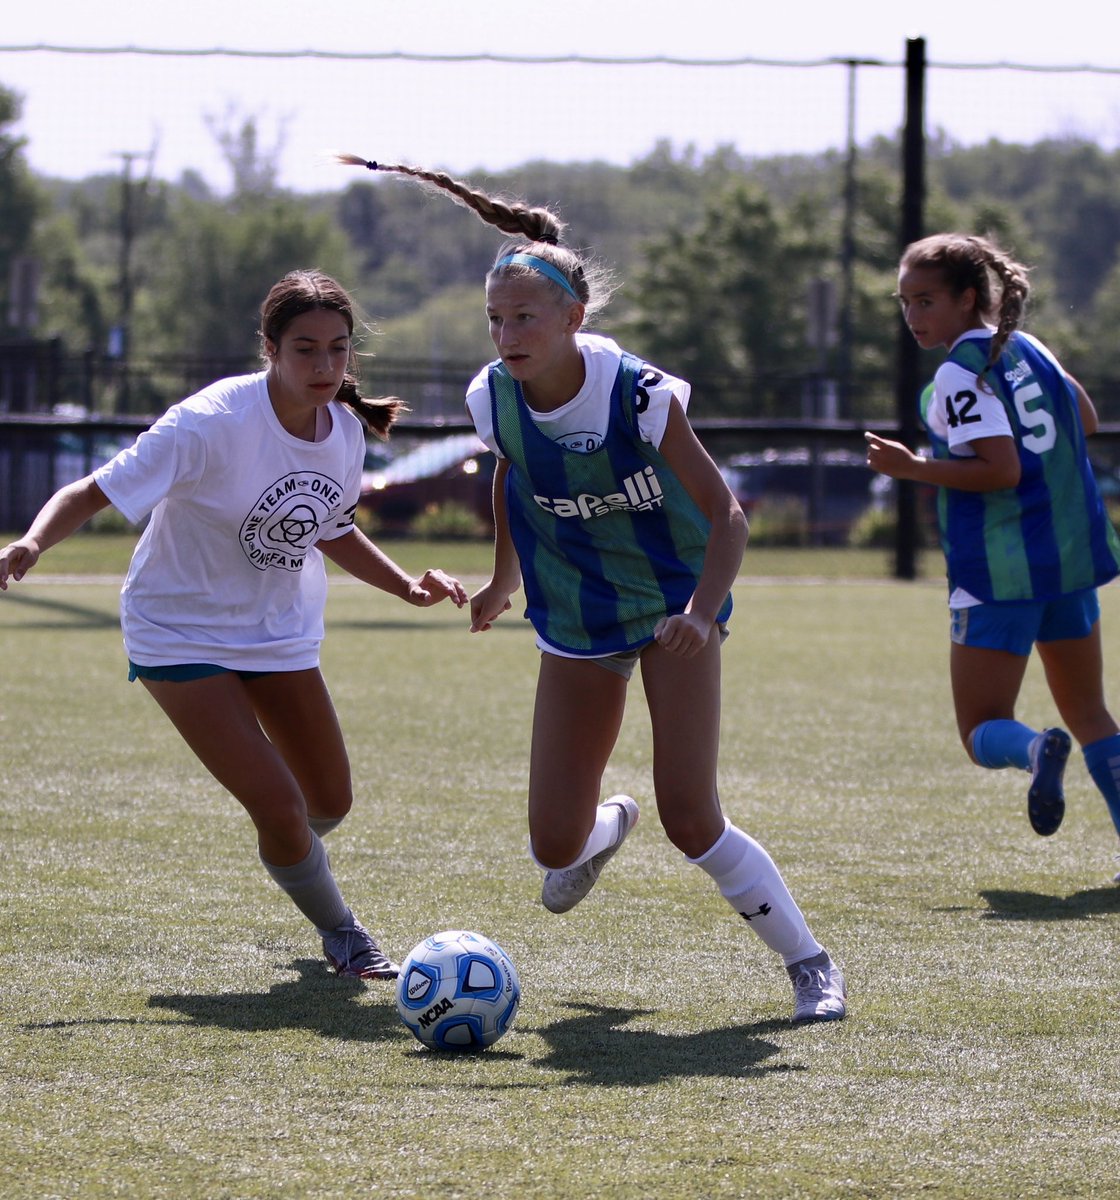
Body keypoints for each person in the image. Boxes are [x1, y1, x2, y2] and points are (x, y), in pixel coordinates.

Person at [337, 154, 846, 1022]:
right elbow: (509, 477)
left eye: (526, 317)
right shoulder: (491, 396)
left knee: (693, 815)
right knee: (552, 847)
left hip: (672, 602)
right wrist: (502, 578)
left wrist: (698, 613)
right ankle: (611, 827)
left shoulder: (637, 393)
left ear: (574, 316)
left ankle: (810, 963)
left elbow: (726, 516)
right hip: (575, 609)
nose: (507, 335)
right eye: (495, 320)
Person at [0, 269, 468, 978]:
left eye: (338, 350)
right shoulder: (210, 423)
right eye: (305, 349)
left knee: (327, 802)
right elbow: (92, 490)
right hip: (177, 628)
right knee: (281, 806)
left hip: (276, 629)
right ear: (270, 348)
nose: (325, 366)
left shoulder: (342, 429)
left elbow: (331, 526)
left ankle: (286, 846)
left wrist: (405, 585)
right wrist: (33, 542)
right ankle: (344, 934)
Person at [866, 233, 1120, 875]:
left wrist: (915, 468)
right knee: (1092, 713)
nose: (913, 317)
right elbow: (1083, 417)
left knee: (982, 731)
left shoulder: (959, 370)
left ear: (969, 298)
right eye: (904, 303)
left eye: (925, 301)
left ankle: (1036, 750)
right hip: (1066, 563)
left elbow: (1000, 470)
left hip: (1000, 571)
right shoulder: (1028, 347)